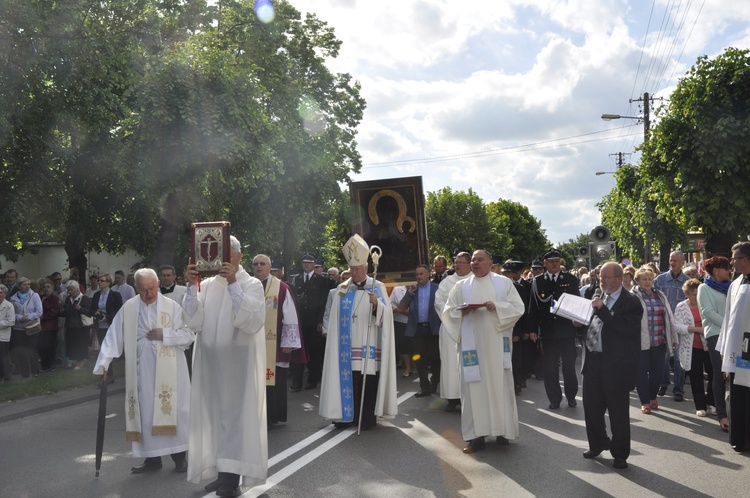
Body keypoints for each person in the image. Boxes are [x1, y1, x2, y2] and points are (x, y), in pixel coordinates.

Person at [183, 235, 267, 497]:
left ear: (239, 256)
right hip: (209, 363)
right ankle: (221, 472)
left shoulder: (251, 284)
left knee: (233, 418)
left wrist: (232, 284)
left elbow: (251, 320)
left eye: (228, 254)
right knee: (212, 416)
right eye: (219, 254)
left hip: (237, 364)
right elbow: (192, 319)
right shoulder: (206, 284)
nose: (223, 260)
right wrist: (190, 285)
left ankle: (231, 479)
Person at [93, 268, 194, 474]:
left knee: (174, 411)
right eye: (144, 290)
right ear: (136, 288)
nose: (149, 294)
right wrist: (104, 363)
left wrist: (166, 335)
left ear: (157, 285)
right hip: (142, 369)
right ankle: (152, 460)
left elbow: (189, 334)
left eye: (152, 288)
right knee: (146, 413)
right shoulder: (129, 308)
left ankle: (179, 459)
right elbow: (114, 335)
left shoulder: (172, 307)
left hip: (172, 370)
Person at [441, 250, 524, 454]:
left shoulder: (503, 283)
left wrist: (496, 306)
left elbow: (518, 307)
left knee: (499, 386)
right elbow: (447, 311)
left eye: (480, 259)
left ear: (490, 262)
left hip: (496, 346)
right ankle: (475, 437)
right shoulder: (461, 286)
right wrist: (461, 311)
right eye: (474, 260)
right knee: (473, 391)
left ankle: (502, 431)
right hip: (472, 349)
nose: (476, 263)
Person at [319, 234, 397, 431]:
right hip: (346, 347)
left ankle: (365, 418)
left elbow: (386, 317)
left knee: (368, 381)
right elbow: (335, 316)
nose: (354, 272)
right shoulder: (342, 290)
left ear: (366, 268)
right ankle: (344, 417)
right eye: (351, 269)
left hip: (369, 344)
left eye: (357, 268)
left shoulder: (377, 286)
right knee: (348, 379)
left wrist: (376, 304)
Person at [581, 262, 642, 470]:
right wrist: (580, 323)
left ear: (618, 278)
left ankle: (620, 454)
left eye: (606, 277)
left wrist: (603, 310)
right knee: (591, 407)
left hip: (616, 365)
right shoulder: (600, 297)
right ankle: (597, 444)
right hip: (593, 361)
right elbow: (595, 327)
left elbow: (624, 329)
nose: (601, 281)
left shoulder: (631, 302)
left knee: (618, 414)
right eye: (600, 277)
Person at [252, 253, 305, 427]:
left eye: (262, 264)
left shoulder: (281, 288)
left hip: (272, 344)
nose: (258, 267)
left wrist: (288, 342)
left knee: (274, 380)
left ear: (269, 267)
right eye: (255, 264)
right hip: (251, 342)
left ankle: (272, 417)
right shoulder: (247, 286)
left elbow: (289, 315)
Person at [528, 249, 581, 409]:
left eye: (557, 260)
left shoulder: (570, 279)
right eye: (551, 261)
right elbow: (533, 307)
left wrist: (578, 324)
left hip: (566, 330)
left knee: (569, 366)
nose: (555, 263)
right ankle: (554, 399)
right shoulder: (538, 281)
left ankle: (571, 396)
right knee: (549, 368)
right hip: (548, 331)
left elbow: (577, 303)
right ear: (545, 263)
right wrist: (531, 329)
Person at [717, 241, 750, 452]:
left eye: (735, 259)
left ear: (746, 259)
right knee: (738, 394)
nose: (732, 263)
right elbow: (729, 319)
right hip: (739, 352)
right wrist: (724, 348)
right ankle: (740, 438)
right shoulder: (736, 283)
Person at [631, 267, 678, 414]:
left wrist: (673, 338)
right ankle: (644, 401)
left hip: (659, 340)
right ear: (637, 280)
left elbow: (670, 318)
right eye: (644, 279)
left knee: (657, 372)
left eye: (650, 279)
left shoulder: (660, 295)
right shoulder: (632, 296)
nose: (647, 281)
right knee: (642, 372)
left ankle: (652, 397)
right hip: (640, 341)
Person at [434, 251, 472, 411]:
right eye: (456, 262)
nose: (457, 265)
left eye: (461, 262)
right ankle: (452, 398)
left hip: (470, 327)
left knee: (469, 362)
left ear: (469, 264)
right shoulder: (447, 282)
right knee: (450, 363)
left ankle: (469, 397)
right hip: (450, 328)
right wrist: (455, 314)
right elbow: (439, 302)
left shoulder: (475, 281)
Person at [697, 255, 731, 432]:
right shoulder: (704, 287)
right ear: (716, 270)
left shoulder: (732, 286)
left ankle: (737, 412)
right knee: (720, 374)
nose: (729, 271)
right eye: (726, 268)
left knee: (735, 374)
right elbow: (708, 312)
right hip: (716, 335)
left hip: (733, 335)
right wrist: (730, 325)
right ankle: (722, 414)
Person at [289, 254, 329, 391]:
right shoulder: (297, 279)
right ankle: (296, 382)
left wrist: (320, 320)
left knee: (314, 353)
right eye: (304, 262)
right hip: (300, 321)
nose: (306, 265)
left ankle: (312, 380)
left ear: (314, 264)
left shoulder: (321, 280)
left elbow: (323, 301)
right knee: (298, 353)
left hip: (314, 322)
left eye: (309, 263)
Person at [674, 278, 713, 417]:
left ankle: (712, 402)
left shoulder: (706, 304)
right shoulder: (681, 307)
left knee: (714, 375)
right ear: (686, 294)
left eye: (698, 294)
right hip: (692, 347)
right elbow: (676, 326)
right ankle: (700, 406)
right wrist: (695, 329)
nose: (695, 297)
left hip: (709, 346)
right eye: (692, 294)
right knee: (696, 378)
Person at [402, 264, 442, 397]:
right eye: (417, 274)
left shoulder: (437, 288)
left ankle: (435, 382)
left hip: (433, 328)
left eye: (421, 274)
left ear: (428, 274)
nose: (419, 276)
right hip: (417, 329)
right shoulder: (413, 290)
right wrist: (409, 293)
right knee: (420, 359)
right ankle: (424, 387)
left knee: (435, 358)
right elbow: (402, 306)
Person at [654, 251, 689, 400]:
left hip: (680, 325)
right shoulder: (660, 280)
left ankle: (678, 389)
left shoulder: (687, 281)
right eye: (670, 260)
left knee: (679, 358)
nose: (672, 263)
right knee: (664, 356)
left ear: (682, 262)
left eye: (675, 260)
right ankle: (663, 384)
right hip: (663, 323)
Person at [89, 273, 123, 384]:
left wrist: (107, 317)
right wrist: (96, 313)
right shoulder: (96, 295)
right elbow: (91, 309)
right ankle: (107, 375)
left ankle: (107, 376)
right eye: (99, 280)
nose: (99, 282)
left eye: (102, 280)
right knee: (103, 351)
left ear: (108, 283)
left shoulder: (115, 295)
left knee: (108, 351)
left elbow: (119, 310)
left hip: (111, 326)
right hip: (100, 326)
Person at [10, 277, 43, 378]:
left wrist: (28, 317)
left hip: (31, 327)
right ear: (19, 286)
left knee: (31, 350)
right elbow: (12, 313)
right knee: (21, 351)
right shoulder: (13, 298)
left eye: (28, 284)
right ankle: (25, 373)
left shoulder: (35, 296)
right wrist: (20, 317)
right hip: (19, 328)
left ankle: (35, 372)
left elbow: (39, 311)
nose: (27, 286)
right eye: (24, 284)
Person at [63, 280, 92, 370]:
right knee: (71, 344)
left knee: (81, 344)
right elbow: (66, 311)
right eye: (68, 290)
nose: (69, 292)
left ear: (77, 289)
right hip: (70, 326)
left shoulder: (85, 299)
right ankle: (72, 360)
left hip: (81, 327)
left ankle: (81, 361)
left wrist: (80, 308)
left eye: (71, 290)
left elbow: (90, 312)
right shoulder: (68, 299)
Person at [390, 284, 413, 377]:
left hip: (415, 321)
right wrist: (400, 310)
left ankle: (416, 366)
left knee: (415, 345)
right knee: (404, 346)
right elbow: (390, 303)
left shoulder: (420, 288)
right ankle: (408, 368)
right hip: (401, 321)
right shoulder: (397, 289)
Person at [38, 279, 61, 371]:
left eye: (48, 287)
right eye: (44, 287)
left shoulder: (55, 299)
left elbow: (55, 311)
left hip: (51, 326)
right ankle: (45, 365)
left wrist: (44, 316)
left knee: (50, 346)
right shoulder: (41, 298)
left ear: (52, 288)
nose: (46, 289)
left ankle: (52, 364)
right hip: (41, 326)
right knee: (41, 346)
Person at [0, 285, 16, 382]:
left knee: (3, 357)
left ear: (5, 294)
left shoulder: (9, 305)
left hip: (3, 336)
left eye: (1, 292)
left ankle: (7, 375)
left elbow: (11, 321)